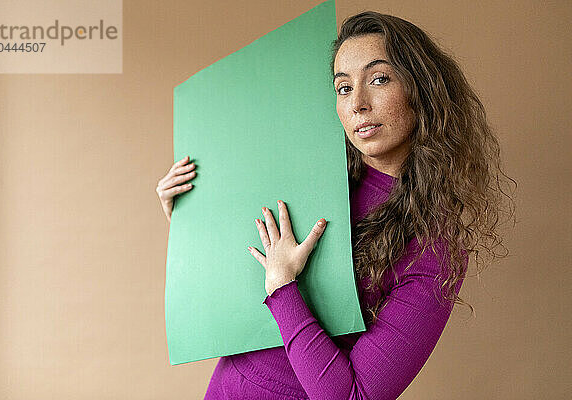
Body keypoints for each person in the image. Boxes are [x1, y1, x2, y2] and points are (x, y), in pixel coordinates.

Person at [155, 10, 516, 400]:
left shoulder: (434, 244)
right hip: (225, 389)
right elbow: (236, 270)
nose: (358, 103)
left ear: (421, 91)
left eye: (379, 79)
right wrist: (189, 211)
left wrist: (283, 287)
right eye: (343, 88)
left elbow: (352, 396)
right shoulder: (309, 176)